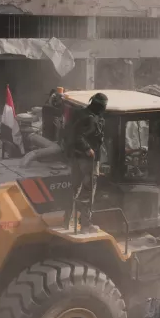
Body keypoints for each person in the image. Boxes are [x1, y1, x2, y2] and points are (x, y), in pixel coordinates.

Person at [65, 93, 107, 231]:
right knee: (89, 192)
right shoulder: (90, 118)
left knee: (74, 189)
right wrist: (88, 148)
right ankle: (85, 224)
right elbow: (79, 136)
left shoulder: (80, 114)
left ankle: (67, 221)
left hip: (76, 158)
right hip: (88, 160)